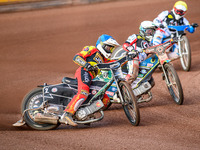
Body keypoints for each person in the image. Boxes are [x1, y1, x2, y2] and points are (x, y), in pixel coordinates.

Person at [60, 34, 120, 126]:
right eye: (109, 47)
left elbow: (116, 63)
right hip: (84, 72)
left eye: (111, 48)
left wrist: (127, 57)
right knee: (83, 92)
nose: (110, 50)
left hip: (92, 78)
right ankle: (67, 114)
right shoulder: (92, 49)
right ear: (102, 45)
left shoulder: (105, 59)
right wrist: (86, 65)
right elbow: (76, 57)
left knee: (106, 100)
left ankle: (86, 113)